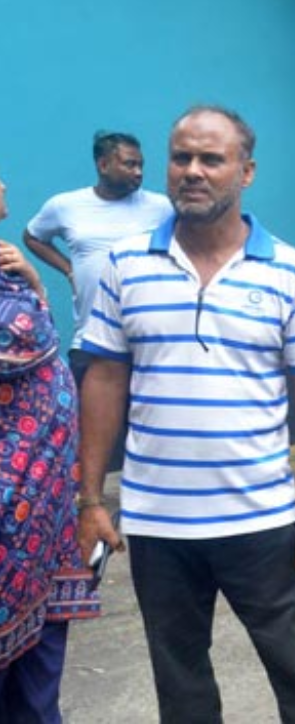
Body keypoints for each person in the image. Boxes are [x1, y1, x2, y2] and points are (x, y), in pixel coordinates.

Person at [75, 105, 295, 722]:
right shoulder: (125, 264)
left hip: (261, 521)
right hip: (157, 524)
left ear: (246, 172)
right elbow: (105, 379)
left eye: (211, 159)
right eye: (181, 157)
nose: (192, 171)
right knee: (182, 685)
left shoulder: (290, 269)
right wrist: (91, 499)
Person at [0, 172, 100, 721]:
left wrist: (36, 284)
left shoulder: (10, 266)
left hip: (41, 514)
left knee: (37, 685)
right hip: (10, 520)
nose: (3, 183)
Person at [23, 132, 172, 387]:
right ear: (103, 165)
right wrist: (69, 270)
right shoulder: (65, 205)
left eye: (140, 165)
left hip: (145, 341)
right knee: (88, 425)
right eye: (129, 164)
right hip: (89, 340)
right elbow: (33, 237)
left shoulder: (162, 208)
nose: (138, 172)